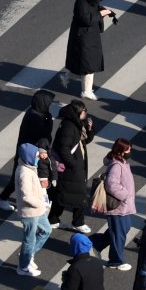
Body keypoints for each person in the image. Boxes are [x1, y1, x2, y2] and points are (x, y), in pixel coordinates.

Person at [0, 89, 55, 211]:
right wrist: (50, 121)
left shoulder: (36, 113)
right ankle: (2, 199)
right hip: (27, 154)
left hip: (29, 152)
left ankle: (3, 199)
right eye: (49, 103)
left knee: (19, 178)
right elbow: (45, 134)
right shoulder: (34, 117)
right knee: (18, 179)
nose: (50, 105)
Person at [59, 0, 114, 101]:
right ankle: (86, 91)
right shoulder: (81, 2)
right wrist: (101, 14)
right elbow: (86, 19)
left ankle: (67, 77)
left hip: (87, 36)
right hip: (84, 38)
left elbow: (94, 9)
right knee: (88, 66)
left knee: (83, 64)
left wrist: (103, 11)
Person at [48, 100, 94, 233]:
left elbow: (83, 141)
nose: (86, 112)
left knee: (63, 194)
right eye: (84, 110)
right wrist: (74, 164)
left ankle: (53, 219)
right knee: (79, 195)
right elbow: (63, 149)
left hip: (74, 166)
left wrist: (90, 130)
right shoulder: (69, 126)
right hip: (71, 168)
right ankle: (78, 222)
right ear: (78, 112)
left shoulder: (75, 124)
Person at [90, 138, 136, 270]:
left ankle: (96, 242)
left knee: (123, 228)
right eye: (127, 149)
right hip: (118, 205)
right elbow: (111, 185)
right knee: (118, 233)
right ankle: (116, 261)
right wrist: (125, 195)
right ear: (121, 151)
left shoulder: (122, 162)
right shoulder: (117, 166)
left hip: (123, 205)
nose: (130, 151)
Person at [15, 143, 53, 276]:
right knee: (29, 239)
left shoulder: (30, 167)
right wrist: (40, 203)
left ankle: (28, 254)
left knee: (46, 230)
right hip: (31, 211)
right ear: (29, 156)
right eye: (36, 155)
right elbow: (26, 196)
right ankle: (23, 266)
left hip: (38, 210)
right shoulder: (24, 172)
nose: (38, 157)